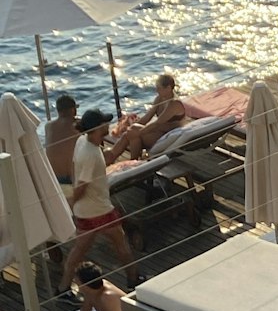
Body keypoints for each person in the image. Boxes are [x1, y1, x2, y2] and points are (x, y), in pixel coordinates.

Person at [59, 107, 138, 291]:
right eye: (104, 123)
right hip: (100, 210)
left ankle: (63, 288)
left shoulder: (81, 142)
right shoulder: (92, 154)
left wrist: (75, 200)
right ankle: (134, 278)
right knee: (121, 242)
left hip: (85, 213)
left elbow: (74, 167)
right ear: (97, 128)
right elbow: (83, 185)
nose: (107, 124)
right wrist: (72, 200)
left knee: (77, 252)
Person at [122, 73, 186, 158]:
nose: (157, 91)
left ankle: (134, 161)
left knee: (134, 134)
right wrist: (132, 126)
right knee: (130, 132)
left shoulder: (174, 104)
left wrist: (138, 132)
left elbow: (157, 123)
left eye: (159, 88)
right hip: (158, 132)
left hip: (168, 135)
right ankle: (111, 157)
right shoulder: (159, 99)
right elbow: (147, 117)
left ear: (169, 88)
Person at [44, 94, 79, 200]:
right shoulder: (77, 127)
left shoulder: (48, 126)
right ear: (73, 110)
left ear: (58, 111)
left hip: (52, 180)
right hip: (70, 181)